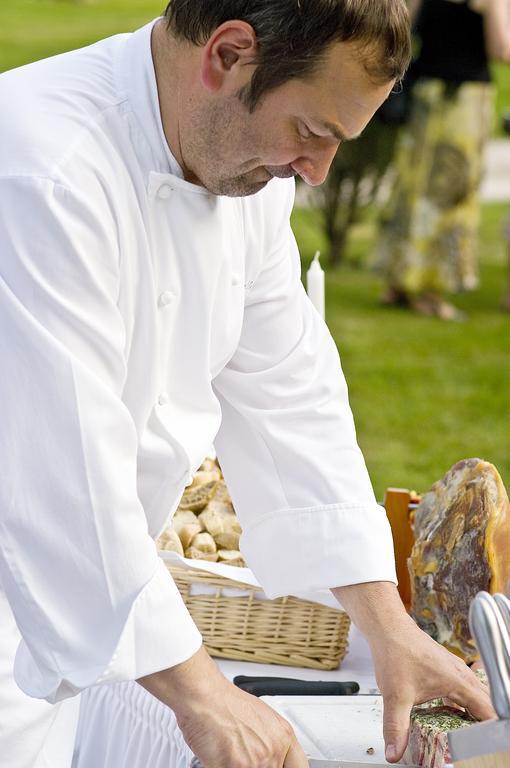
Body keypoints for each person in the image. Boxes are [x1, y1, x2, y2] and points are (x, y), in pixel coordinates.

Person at [0, 2, 494, 767]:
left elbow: (290, 394)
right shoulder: (40, 169)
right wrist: (201, 695)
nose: (318, 171)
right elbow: (57, 476)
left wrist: (390, 630)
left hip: (71, 625)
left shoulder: (246, 180)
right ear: (228, 54)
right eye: (314, 131)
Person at [377, 0, 510, 320]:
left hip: (428, 96)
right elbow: (503, 50)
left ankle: (400, 283)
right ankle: (429, 292)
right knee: (448, 194)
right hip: (462, 102)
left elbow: (400, 33)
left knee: (413, 189)